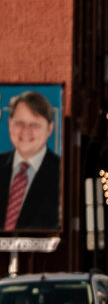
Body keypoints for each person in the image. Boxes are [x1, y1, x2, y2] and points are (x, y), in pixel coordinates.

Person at [0, 90, 60, 231]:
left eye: (34, 125)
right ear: (9, 124)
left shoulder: (63, 173)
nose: (26, 131)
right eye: (19, 123)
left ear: (50, 128)